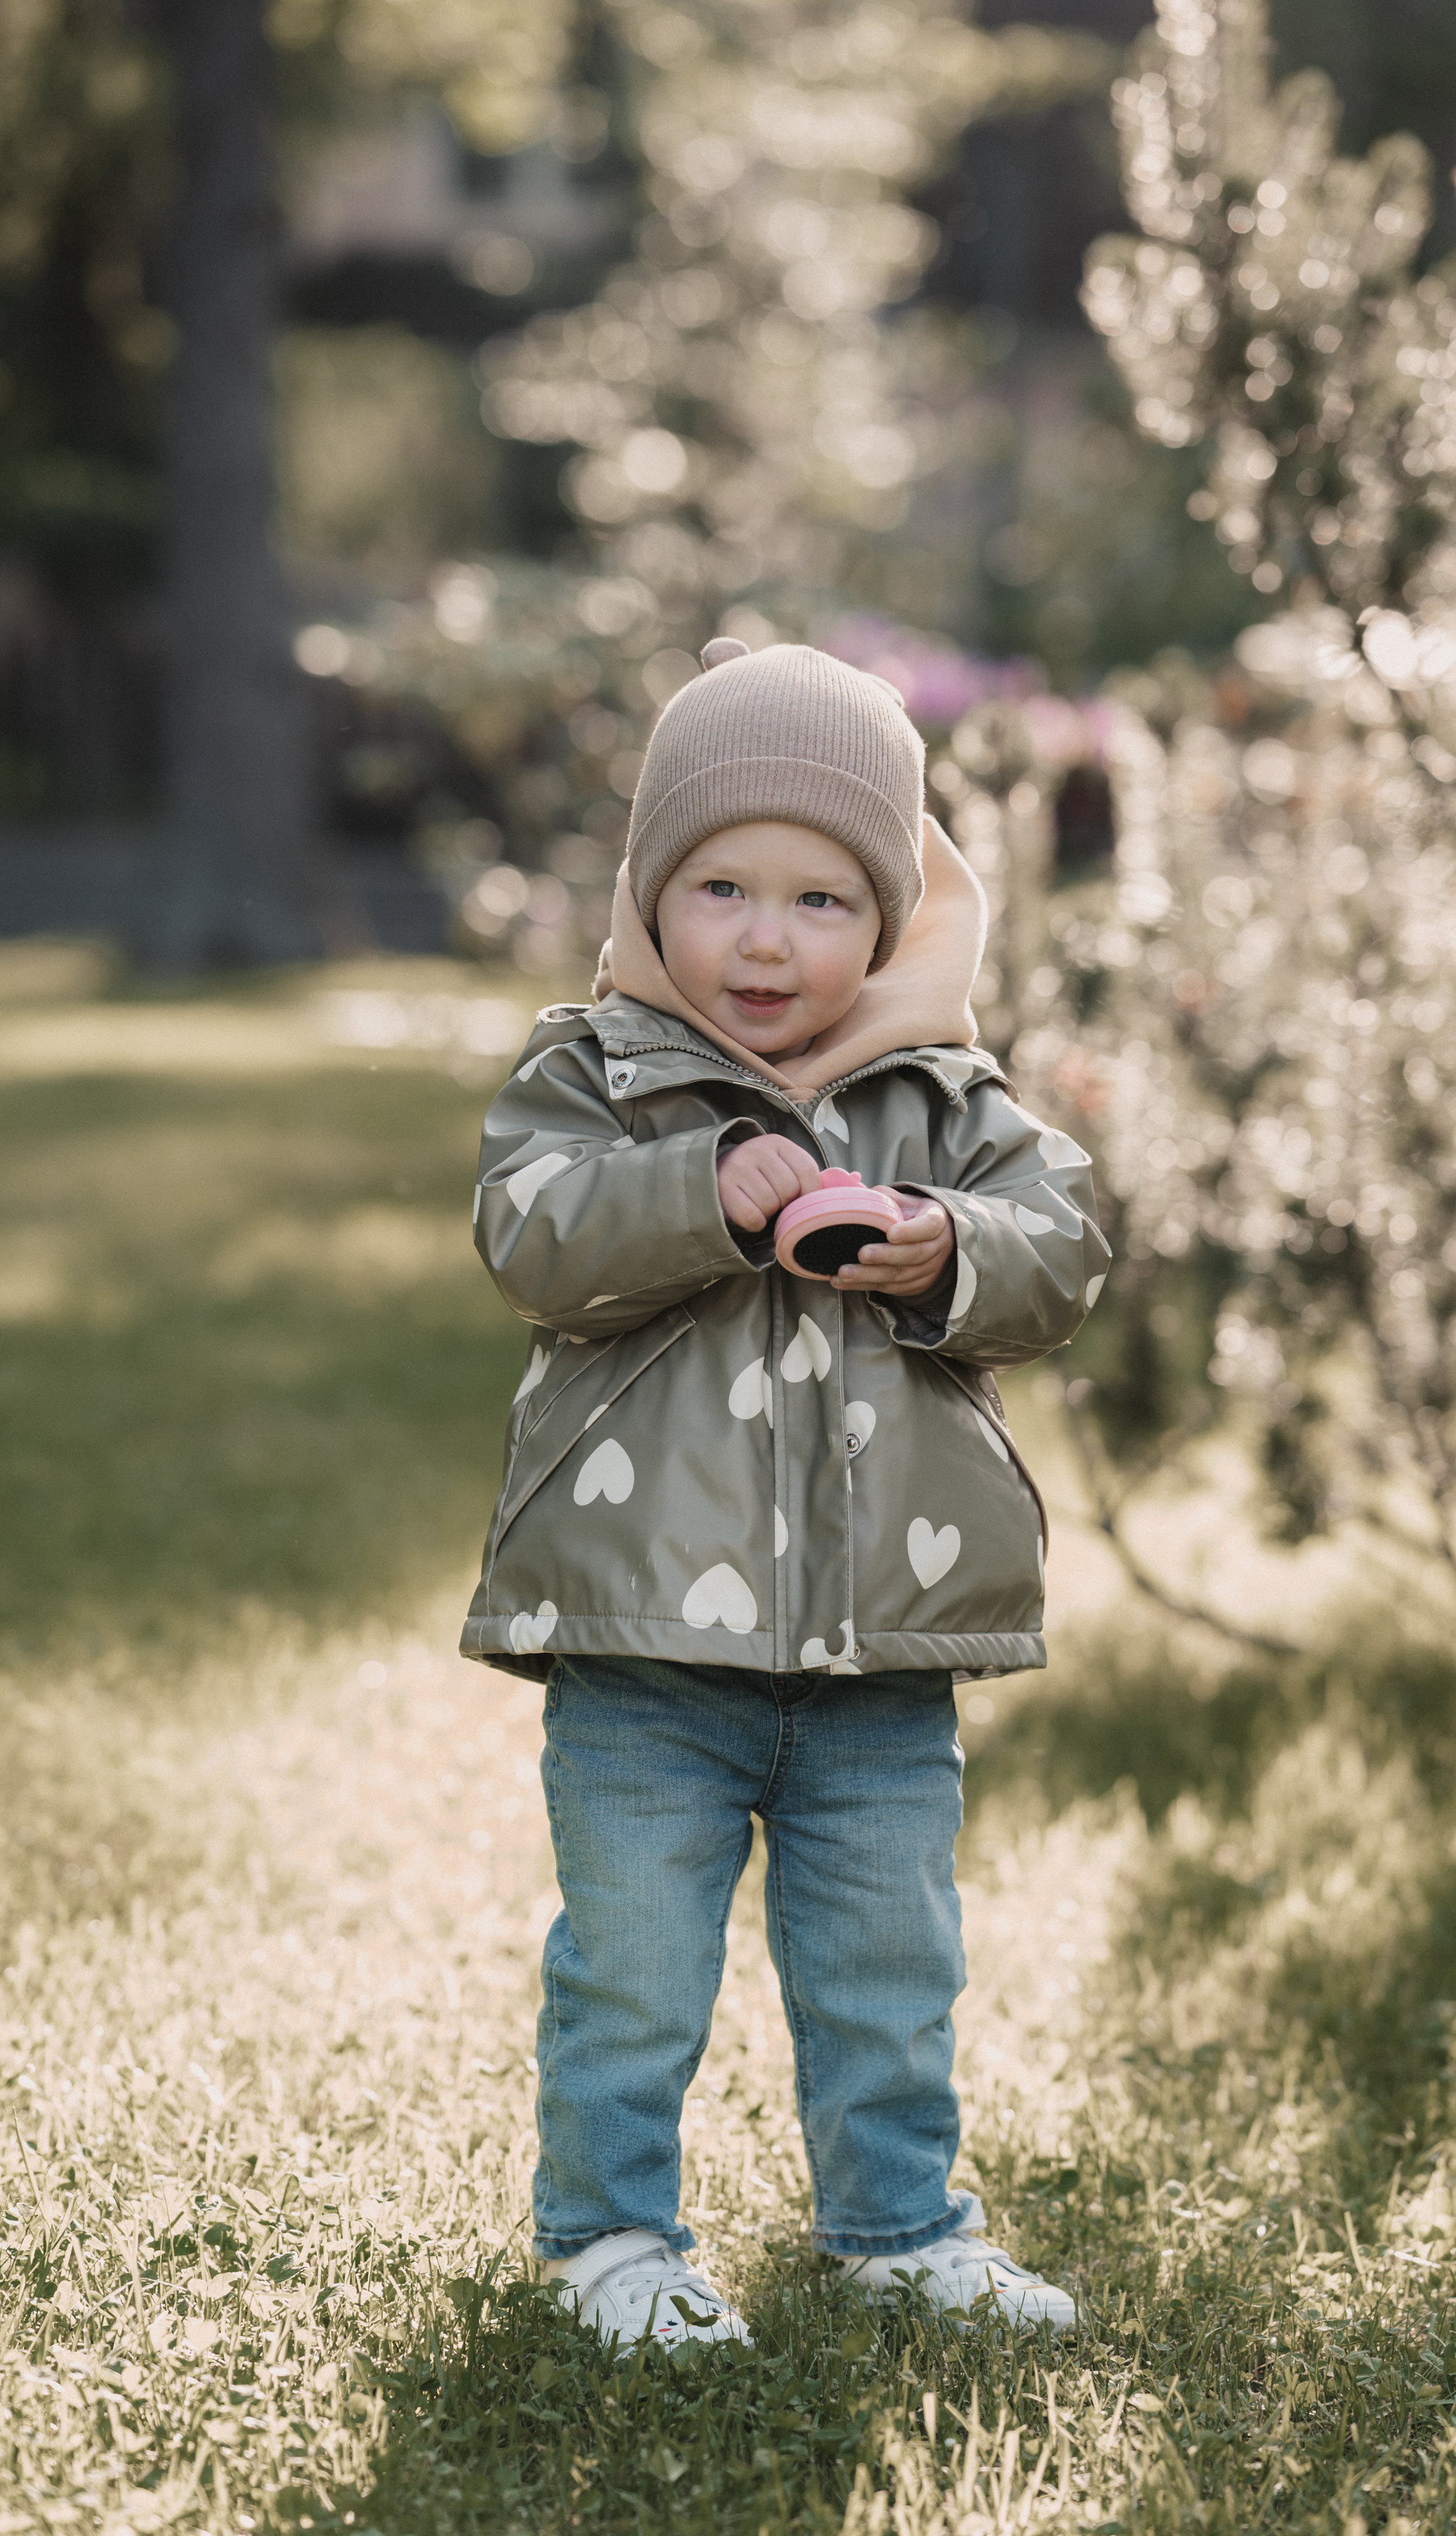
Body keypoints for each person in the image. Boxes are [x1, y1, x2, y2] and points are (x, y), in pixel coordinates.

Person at [463, 638, 1109, 2351]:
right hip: (643, 1643)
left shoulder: (947, 1103)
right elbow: (529, 1230)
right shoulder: (595, 1074)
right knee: (631, 1968)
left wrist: (942, 1241)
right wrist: (699, 1188)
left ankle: (899, 2228)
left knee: (892, 1968)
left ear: (890, 920)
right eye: (722, 886)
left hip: (878, 1654)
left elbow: (1065, 1254)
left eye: (824, 899)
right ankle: (611, 2242)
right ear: (650, 894)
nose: (766, 937)